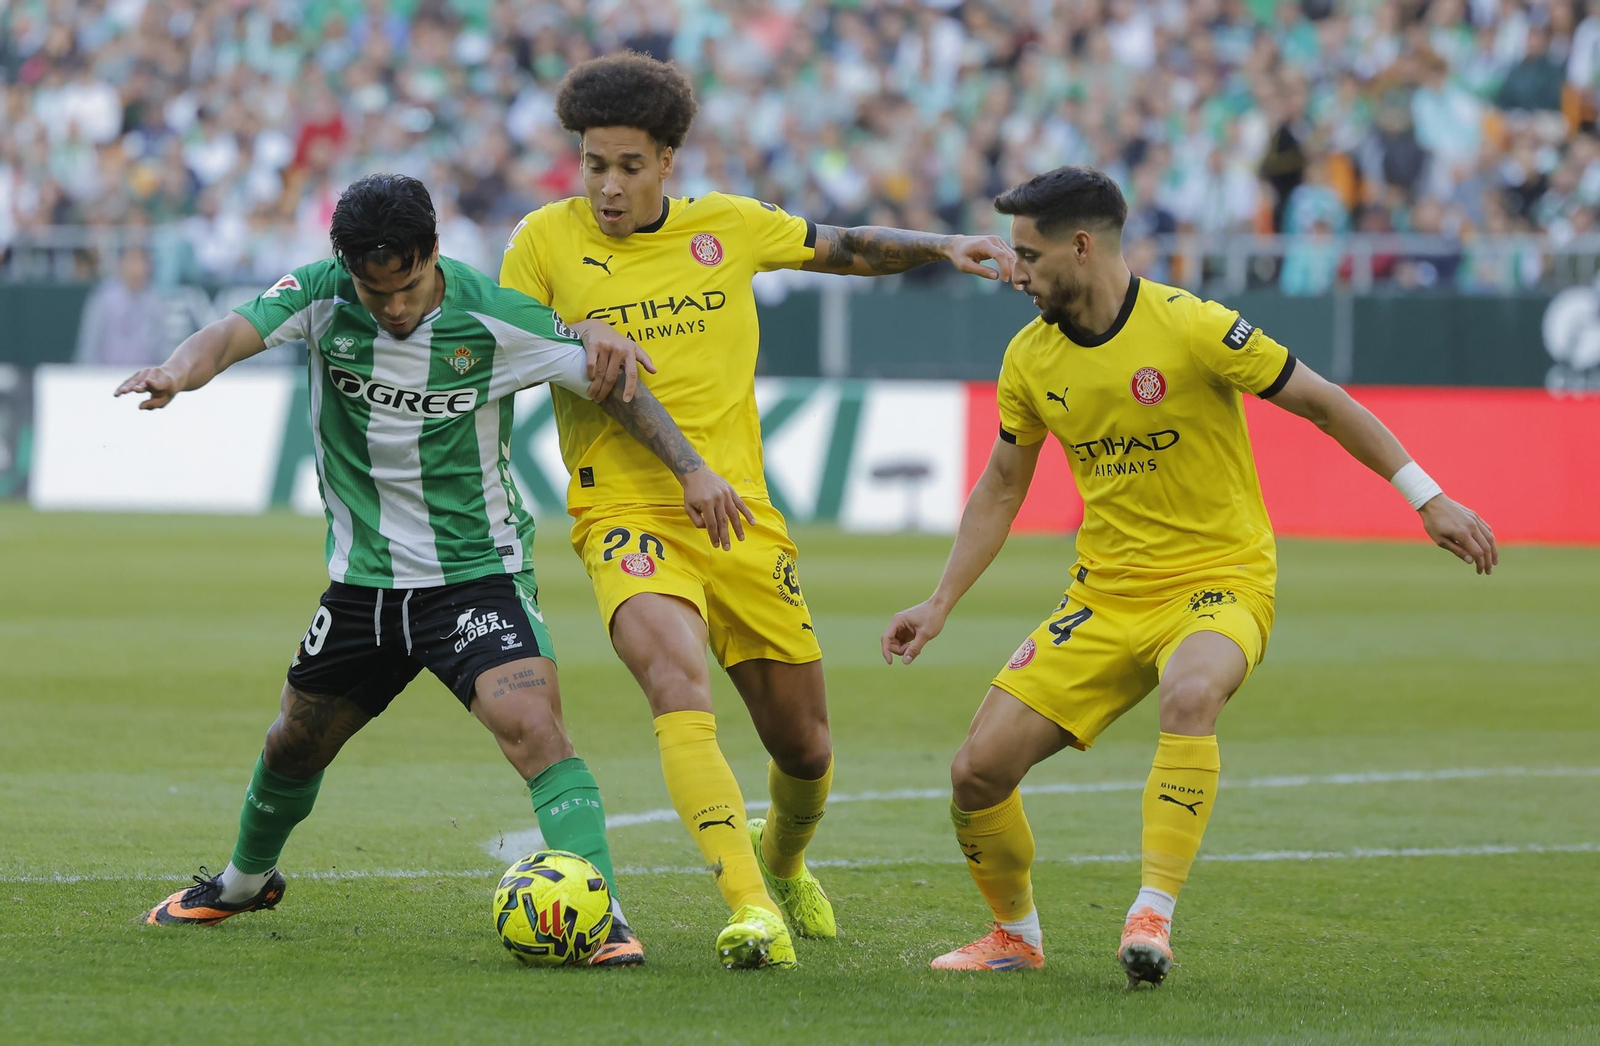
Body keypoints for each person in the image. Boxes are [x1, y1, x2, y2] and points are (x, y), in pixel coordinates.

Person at [879, 166, 1497, 984]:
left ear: (1083, 245)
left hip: (1220, 577)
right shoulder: (1029, 360)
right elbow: (1002, 484)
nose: (1012, 273)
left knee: (1192, 692)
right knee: (976, 772)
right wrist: (941, 600)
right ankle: (1014, 937)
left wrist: (1428, 497)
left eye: (1027, 255)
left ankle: (1152, 917)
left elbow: (1323, 401)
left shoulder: (1194, 326)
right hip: (1104, 596)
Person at [120, 173, 749, 968]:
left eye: (407, 284)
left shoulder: (494, 317)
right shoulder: (320, 295)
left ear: (433, 255)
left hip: (474, 578)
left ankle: (605, 914)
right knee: (293, 743)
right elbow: (228, 332)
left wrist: (690, 469)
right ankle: (246, 882)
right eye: (372, 289)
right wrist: (177, 372)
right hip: (362, 588)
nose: (391, 306)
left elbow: (611, 379)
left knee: (534, 731)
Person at [500, 52, 1015, 970]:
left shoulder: (726, 228)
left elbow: (839, 246)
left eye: (627, 165)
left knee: (805, 747)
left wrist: (943, 249)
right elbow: (508, 333)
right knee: (675, 682)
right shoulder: (543, 241)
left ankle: (782, 864)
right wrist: (573, 331)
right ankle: (749, 910)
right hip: (623, 510)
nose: (607, 186)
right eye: (592, 164)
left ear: (668, 161)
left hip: (739, 517)